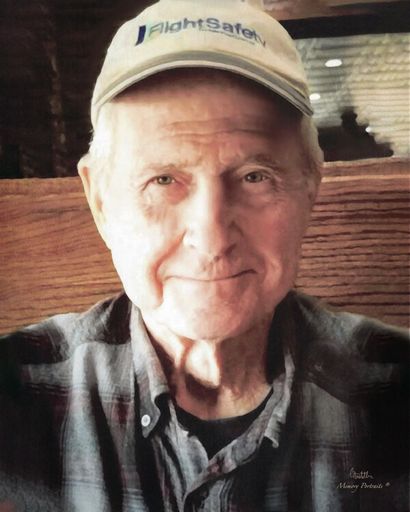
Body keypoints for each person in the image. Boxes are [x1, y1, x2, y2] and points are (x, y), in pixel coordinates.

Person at [0, 1, 408, 511]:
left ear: (309, 186)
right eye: (162, 179)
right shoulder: (16, 395)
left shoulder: (395, 395)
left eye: (255, 176)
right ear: (100, 201)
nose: (212, 239)